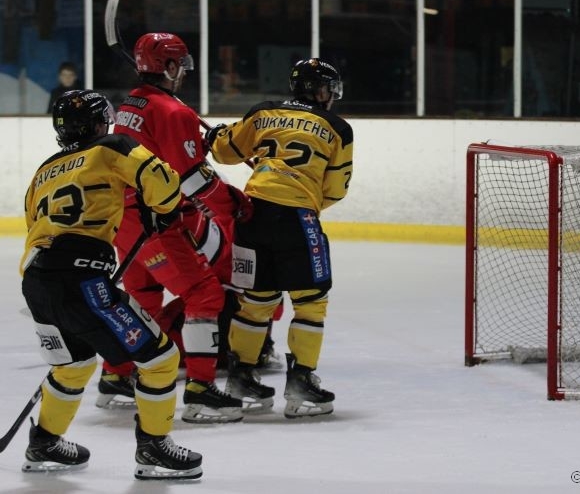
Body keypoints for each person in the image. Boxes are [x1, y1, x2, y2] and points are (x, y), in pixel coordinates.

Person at [20, 89, 202, 479]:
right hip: (82, 278)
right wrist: (164, 209)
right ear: (101, 122)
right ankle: (153, 448)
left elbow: (36, 227)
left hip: (37, 281)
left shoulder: (42, 172)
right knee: (160, 359)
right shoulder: (113, 145)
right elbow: (161, 180)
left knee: (73, 365)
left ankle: (45, 443)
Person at [99, 32, 250, 423]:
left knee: (143, 295)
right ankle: (200, 393)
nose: (183, 70)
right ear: (167, 66)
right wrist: (229, 201)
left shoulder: (129, 104)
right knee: (204, 294)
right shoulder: (173, 111)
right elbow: (192, 179)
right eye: (179, 63)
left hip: (125, 218)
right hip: (155, 219)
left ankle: (117, 376)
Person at [207, 58, 353, 418]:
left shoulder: (264, 112)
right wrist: (304, 197)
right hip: (297, 218)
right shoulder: (337, 127)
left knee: (255, 300)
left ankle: (240, 377)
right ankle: (301, 381)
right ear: (322, 92)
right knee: (311, 300)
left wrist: (216, 136)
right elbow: (334, 190)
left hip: (252, 214)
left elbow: (224, 153)